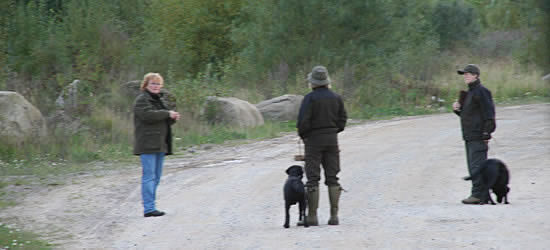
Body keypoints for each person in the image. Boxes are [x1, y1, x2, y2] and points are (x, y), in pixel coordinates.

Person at [297, 65, 347, 225]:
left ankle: (312, 217)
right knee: (333, 177)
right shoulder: (336, 97)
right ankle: (334, 216)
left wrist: (305, 136)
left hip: (313, 141)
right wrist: (334, 131)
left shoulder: (309, 98)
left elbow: (302, 122)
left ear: (312, 82)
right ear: (327, 81)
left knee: (312, 177)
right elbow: (343, 119)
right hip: (332, 139)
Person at [133, 72, 180, 217]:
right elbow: (147, 116)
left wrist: (172, 118)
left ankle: (151, 205)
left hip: (160, 143)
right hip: (147, 143)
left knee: (157, 176)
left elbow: (163, 120)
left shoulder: (159, 100)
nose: (155, 86)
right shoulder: (142, 100)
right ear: (146, 85)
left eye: (158, 84)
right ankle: (148, 208)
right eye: (153, 83)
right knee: (149, 176)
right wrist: (167, 114)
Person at [453, 64, 496, 205]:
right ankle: (480, 194)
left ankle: (478, 195)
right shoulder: (470, 93)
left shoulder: (482, 92)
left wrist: (486, 134)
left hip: (478, 136)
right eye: (464, 74)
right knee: (473, 167)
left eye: (468, 74)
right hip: (469, 135)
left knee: (477, 167)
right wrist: (457, 110)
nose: (465, 76)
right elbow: (469, 117)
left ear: (476, 75)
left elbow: (489, 115)